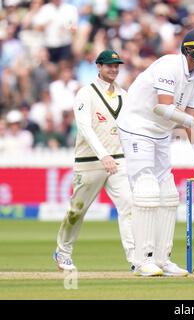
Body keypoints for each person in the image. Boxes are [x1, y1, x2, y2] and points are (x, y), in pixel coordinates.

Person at [117, 28, 194, 277]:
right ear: (191, 48)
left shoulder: (193, 79)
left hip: (159, 134)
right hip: (137, 128)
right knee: (147, 189)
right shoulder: (169, 65)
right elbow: (162, 108)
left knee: (168, 194)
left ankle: (162, 259)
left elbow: (191, 121)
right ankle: (142, 260)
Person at [54, 50, 135, 271]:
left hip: (118, 160)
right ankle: (63, 253)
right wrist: (103, 155)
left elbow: (129, 128)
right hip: (89, 160)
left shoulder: (124, 95)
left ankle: (135, 259)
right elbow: (85, 127)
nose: (114, 69)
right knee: (76, 211)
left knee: (129, 205)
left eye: (116, 66)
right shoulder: (85, 94)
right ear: (98, 67)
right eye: (109, 65)